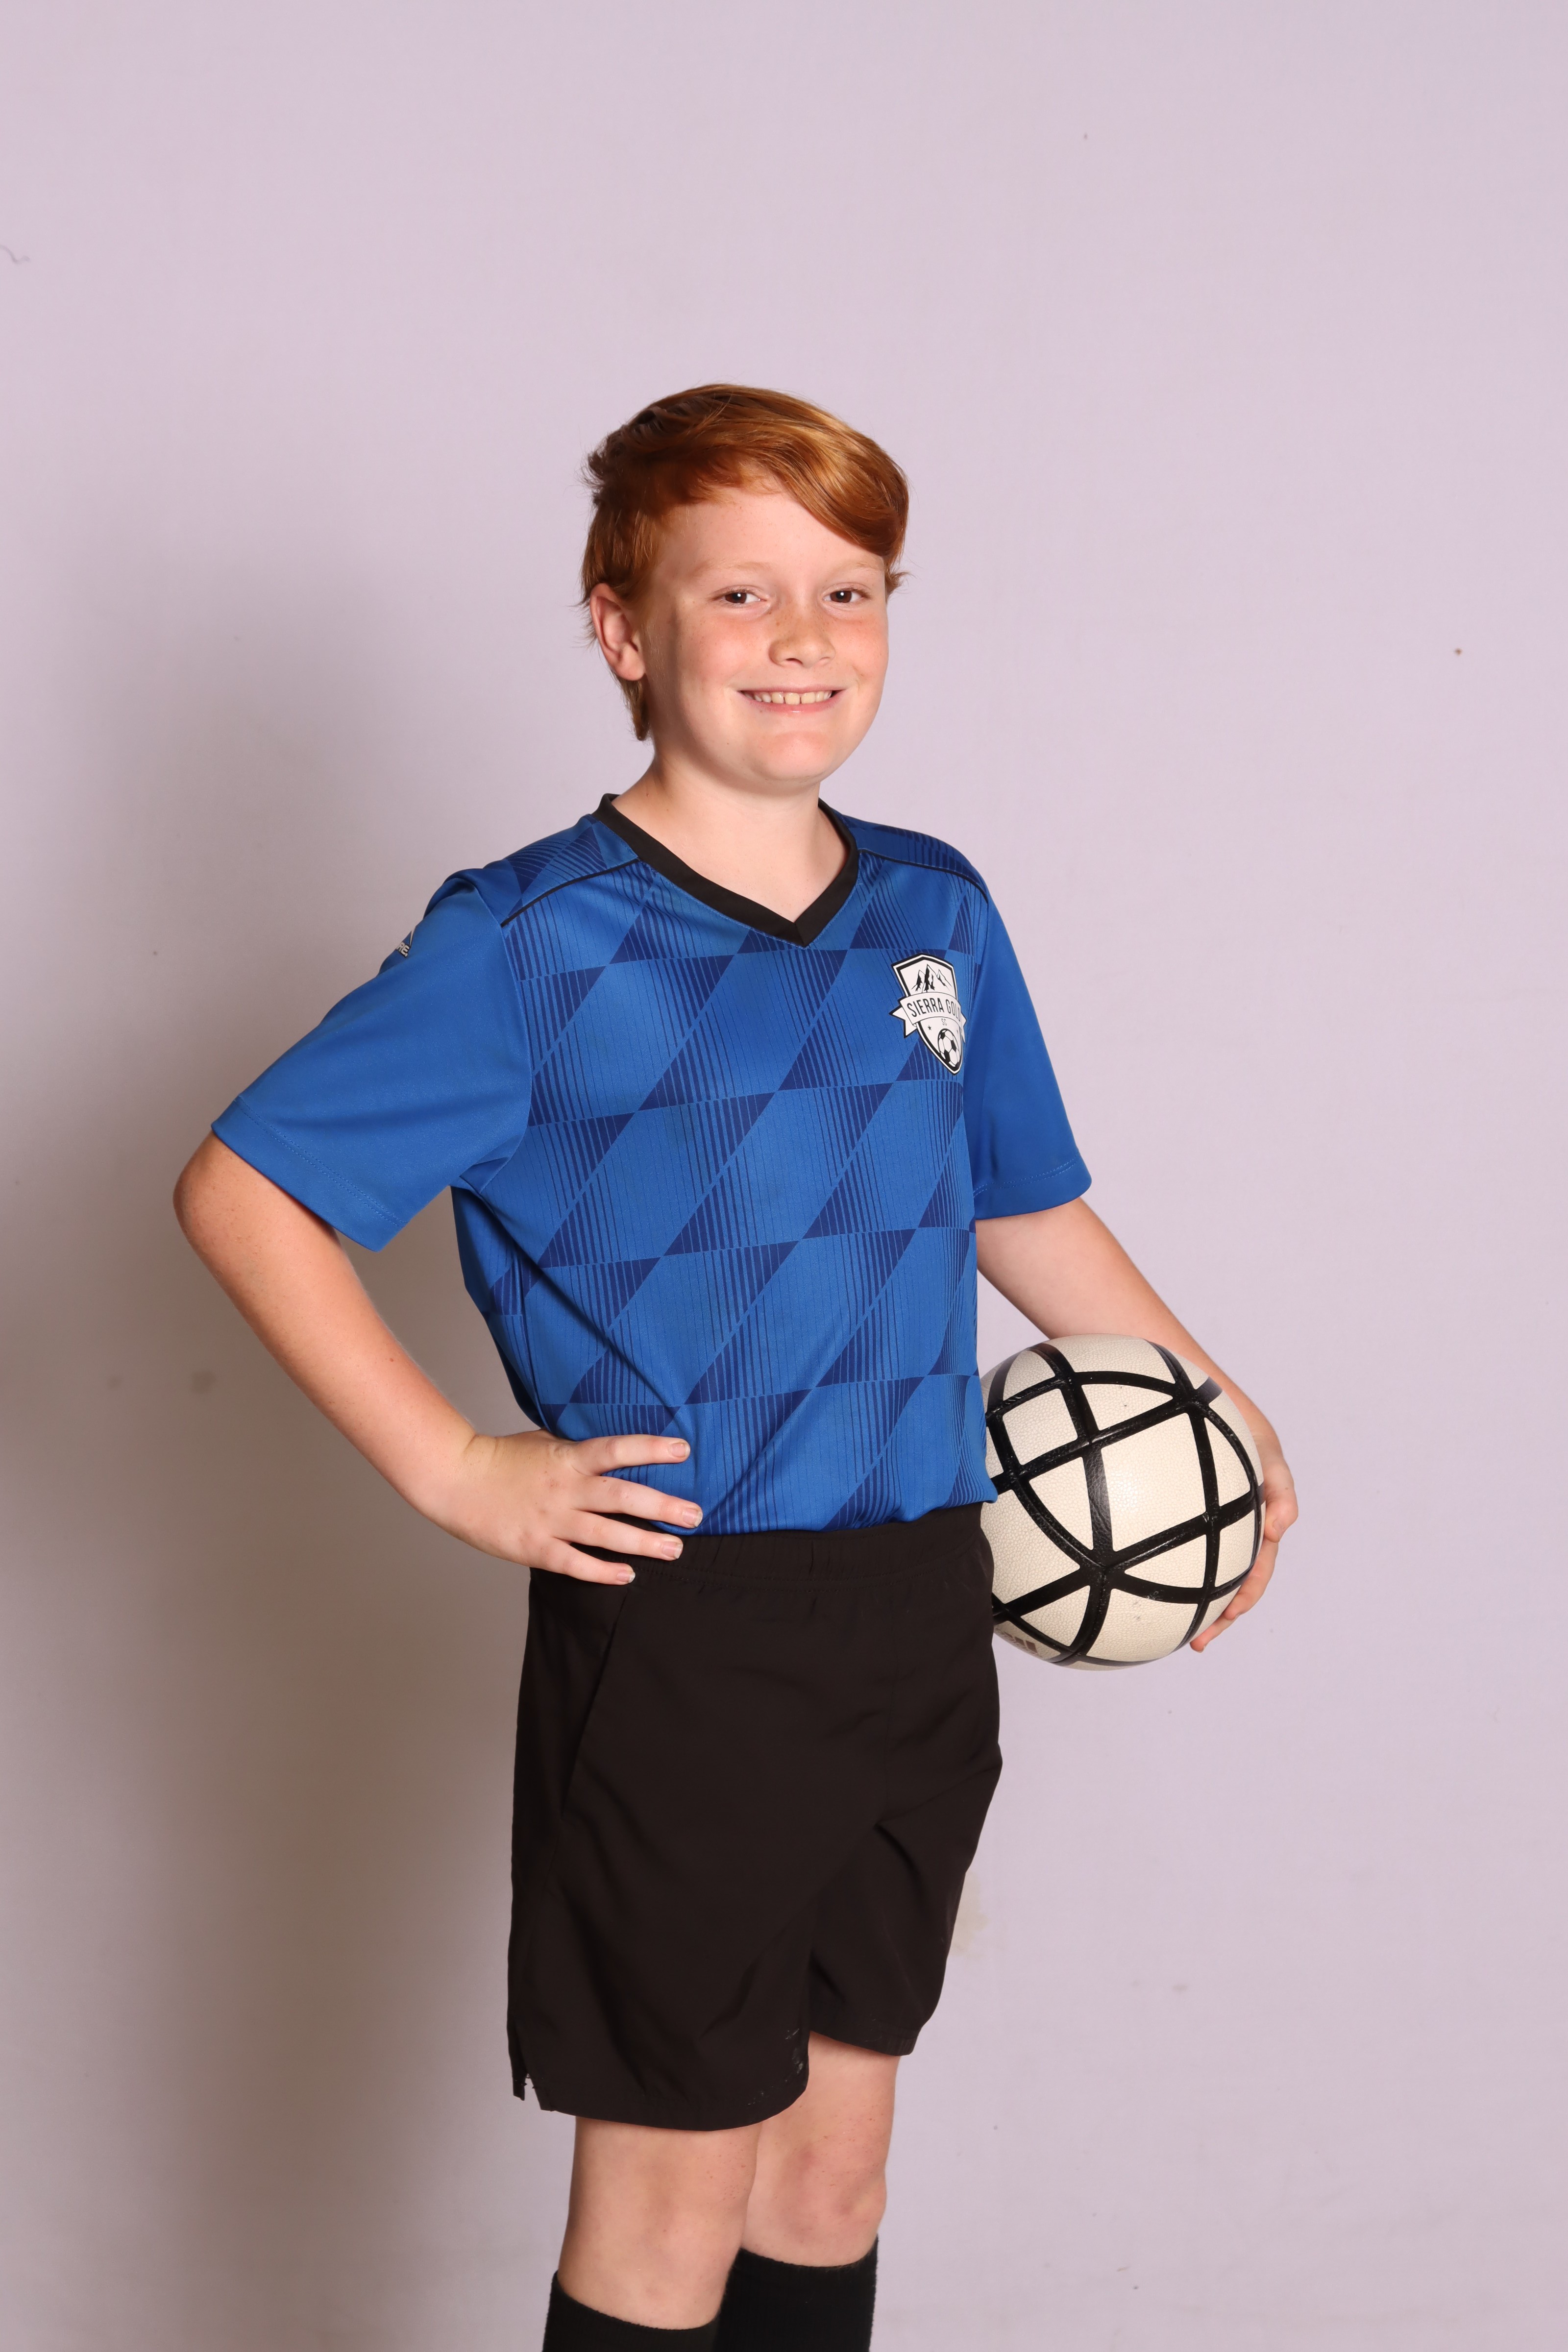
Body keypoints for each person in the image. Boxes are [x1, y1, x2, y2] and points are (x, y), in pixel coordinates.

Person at [174, 385, 1297, 2350]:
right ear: (623, 627)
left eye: (848, 592)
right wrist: (453, 1467)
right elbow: (244, 1189)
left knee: (828, 2172)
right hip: (689, 1632)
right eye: (740, 593)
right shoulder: (531, 943)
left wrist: (1212, 1408)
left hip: (922, 1596)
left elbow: (1020, 1205)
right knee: (672, 2200)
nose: (803, 640)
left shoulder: (935, 910)